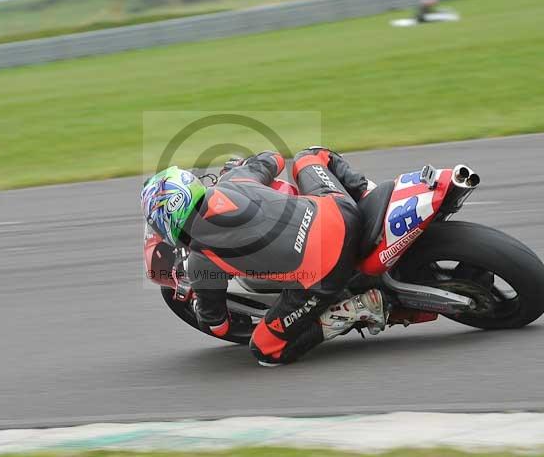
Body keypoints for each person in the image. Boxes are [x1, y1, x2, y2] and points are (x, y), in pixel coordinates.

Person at [140, 148, 386, 366]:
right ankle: (366, 194)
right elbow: (274, 159)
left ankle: (358, 308)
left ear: (168, 219)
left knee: (265, 350)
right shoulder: (233, 180)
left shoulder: (200, 260)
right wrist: (242, 164)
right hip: (341, 212)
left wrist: (200, 308)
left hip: (327, 270)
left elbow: (218, 325)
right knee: (311, 155)